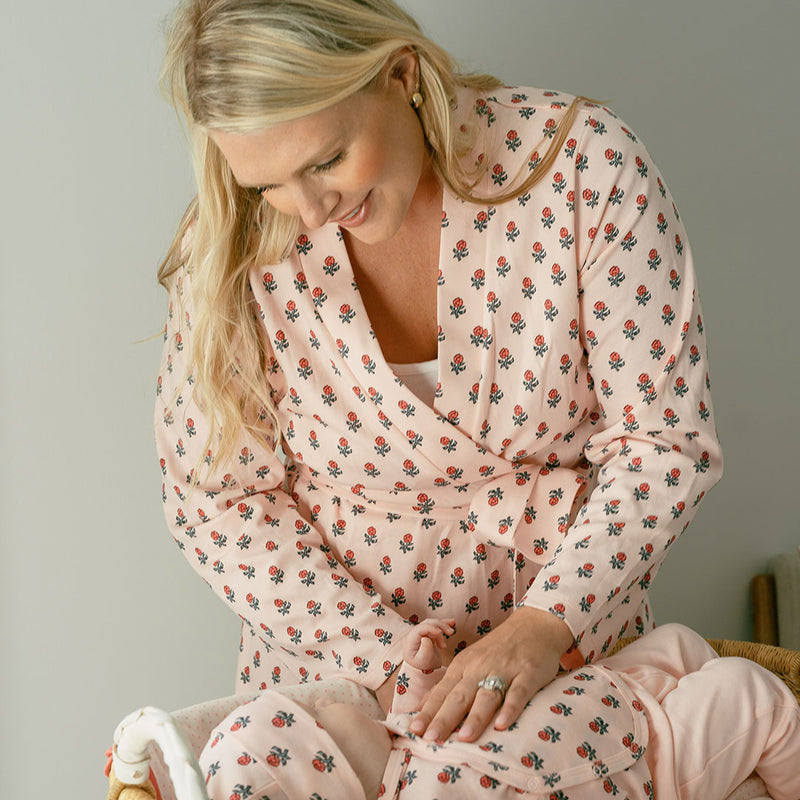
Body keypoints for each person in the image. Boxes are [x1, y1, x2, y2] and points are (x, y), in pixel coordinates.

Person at [155, 0, 722, 743]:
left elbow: (663, 442)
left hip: (571, 663)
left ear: (400, 74)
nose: (311, 211)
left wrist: (542, 627)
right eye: (268, 184)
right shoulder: (233, 245)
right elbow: (216, 504)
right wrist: (391, 667)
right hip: (339, 691)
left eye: (325, 162)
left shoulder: (582, 168)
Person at [198, 621, 800, 800]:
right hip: (651, 759)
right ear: (331, 773)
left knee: (680, 639)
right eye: (320, 721)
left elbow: (419, 716)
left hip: (606, 686)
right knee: (756, 695)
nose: (329, 703)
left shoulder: (394, 740)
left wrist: (417, 674)